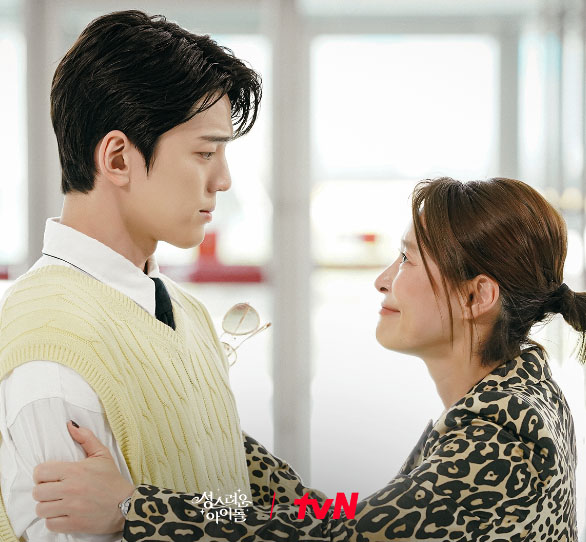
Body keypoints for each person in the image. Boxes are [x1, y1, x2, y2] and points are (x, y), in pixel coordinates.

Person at [34, 177, 579, 541]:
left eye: (408, 259)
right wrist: (213, 424)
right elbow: (335, 517)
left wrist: (134, 509)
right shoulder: (516, 394)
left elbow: (339, 537)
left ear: (477, 296)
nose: (383, 279)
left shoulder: (504, 429)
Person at [0, 9, 271, 542]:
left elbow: (234, 507)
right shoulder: (53, 346)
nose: (223, 179)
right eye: (205, 152)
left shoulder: (184, 310)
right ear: (119, 158)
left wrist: (138, 508)